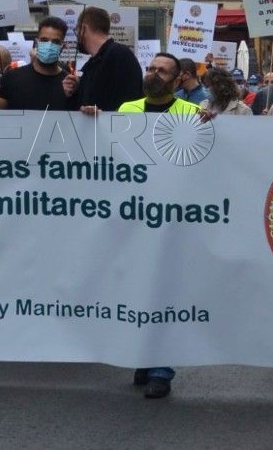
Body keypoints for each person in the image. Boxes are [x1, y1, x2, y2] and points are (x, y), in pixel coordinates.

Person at [116, 53, 199, 399]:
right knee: (136, 287)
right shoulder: (125, 110)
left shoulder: (192, 114)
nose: (154, 74)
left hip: (173, 220)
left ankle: (162, 369)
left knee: (165, 289)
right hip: (134, 217)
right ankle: (143, 355)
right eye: (151, 68)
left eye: (162, 71)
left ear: (178, 80)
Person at [63, 7, 142, 112]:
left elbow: (129, 101)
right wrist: (77, 90)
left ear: (83, 29)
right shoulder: (92, 64)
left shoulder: (119, 55)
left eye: (76, 30)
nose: (76, 34)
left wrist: (103, 115)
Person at [0, 17, 69, 111]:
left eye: (55, 42)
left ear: (63, 46)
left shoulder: (69, 84)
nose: (49, 45)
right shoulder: (11, 78)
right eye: (44, 40)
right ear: (37, 42)